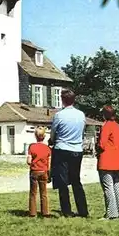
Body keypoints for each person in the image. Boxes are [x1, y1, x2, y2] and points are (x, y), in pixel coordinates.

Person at [50, 89, 89, 218]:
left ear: (62, 100)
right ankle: (83, 210)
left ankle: (67, 210)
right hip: (77, 150)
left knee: (63, 182)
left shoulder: (59, 115)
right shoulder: (81, 115)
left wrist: (51, 140)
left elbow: (54, 133)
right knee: (76, 181)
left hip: (62, 149)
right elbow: (82, 132)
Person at [97, 105, 119, 220]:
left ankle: (111, 213)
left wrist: (97, 149)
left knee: (108, 187)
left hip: (106, 160)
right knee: (116, 186)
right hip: (117, 160)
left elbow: (102, 144)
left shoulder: (106, 126)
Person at [27, 126, 52, 218]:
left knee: (33, 193)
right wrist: (49, 173)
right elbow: (49, 163)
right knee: (44, 193)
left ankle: (32, 212)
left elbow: (29, 161)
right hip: (44, 171)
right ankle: (45, 212)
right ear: (44, 136)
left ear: (35, 136)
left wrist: (32, 163)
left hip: (34, 171)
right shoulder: (48, 149)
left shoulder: (32, 147)